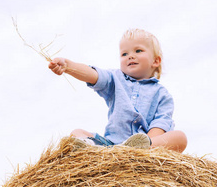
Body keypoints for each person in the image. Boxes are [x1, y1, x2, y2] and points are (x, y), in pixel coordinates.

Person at [48, 28, 187, 153]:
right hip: (111, 147)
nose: (130, 56)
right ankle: (93, 152)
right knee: (77, 132)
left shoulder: (162, 95)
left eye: (138, 51)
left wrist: (146, 145)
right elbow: (94, 75)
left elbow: (161, 124)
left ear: (155, 61)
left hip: (146, 146)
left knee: (180, 137)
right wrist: (68, 66)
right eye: (124, 54)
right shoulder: (115, 78)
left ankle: (143, 148)